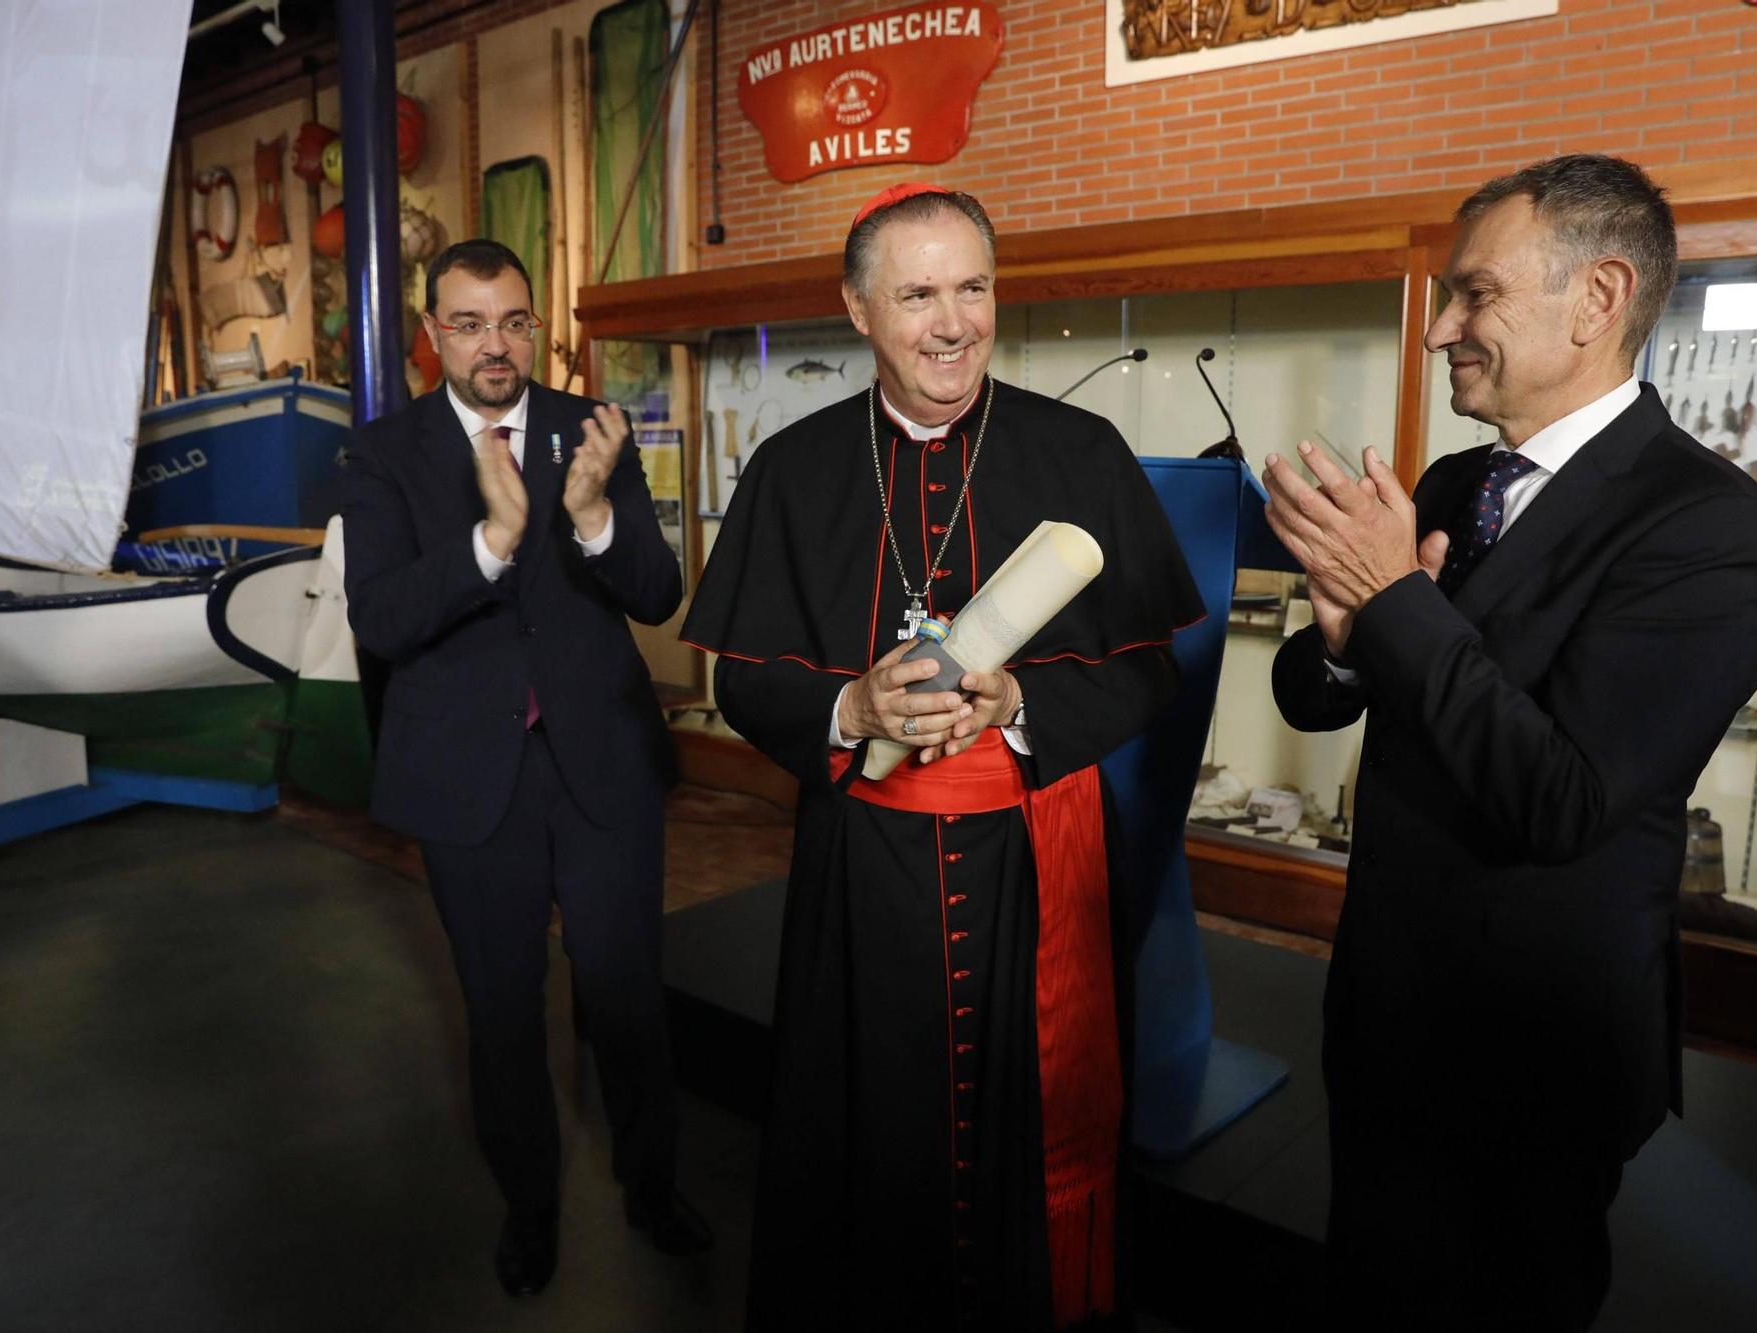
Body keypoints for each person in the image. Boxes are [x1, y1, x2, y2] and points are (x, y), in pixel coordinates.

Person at [1264, 154, 1757, 1330]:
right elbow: (1313, 695)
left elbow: (1562, 797)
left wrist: (1393, 599)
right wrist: (1348, 636)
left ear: (1596, 300)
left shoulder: (1707, 524)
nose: (1437, 328)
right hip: (1386, 1009)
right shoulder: (1455, 481)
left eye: (1473, 296)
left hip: (1531, 1051)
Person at [681, 184, 1202, 1331]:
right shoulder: (796, 466)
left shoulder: (1081, 449)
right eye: (917, 293)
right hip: (861, 866)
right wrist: (849, 707)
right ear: (859, 309)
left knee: (1023, 1129)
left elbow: (1149, 666)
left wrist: (1019, 704)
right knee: (866, 1125)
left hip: (1031, 854)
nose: (952, 321)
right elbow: (743, 678)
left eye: (972, 287)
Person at [341, 238, 710, 1299]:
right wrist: (493, 543)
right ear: (432, 333)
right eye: (467, 322)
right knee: (501, 1010)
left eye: (512, 321)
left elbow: (655, 591)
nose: (493, 344)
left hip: (602, 768)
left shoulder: (592, 429)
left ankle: (651, 1186)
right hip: (470, 779)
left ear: (535, 325)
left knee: (627, 997)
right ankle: (530, 1208)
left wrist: (590, 515)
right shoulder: (382, 455)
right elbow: (381, 618)